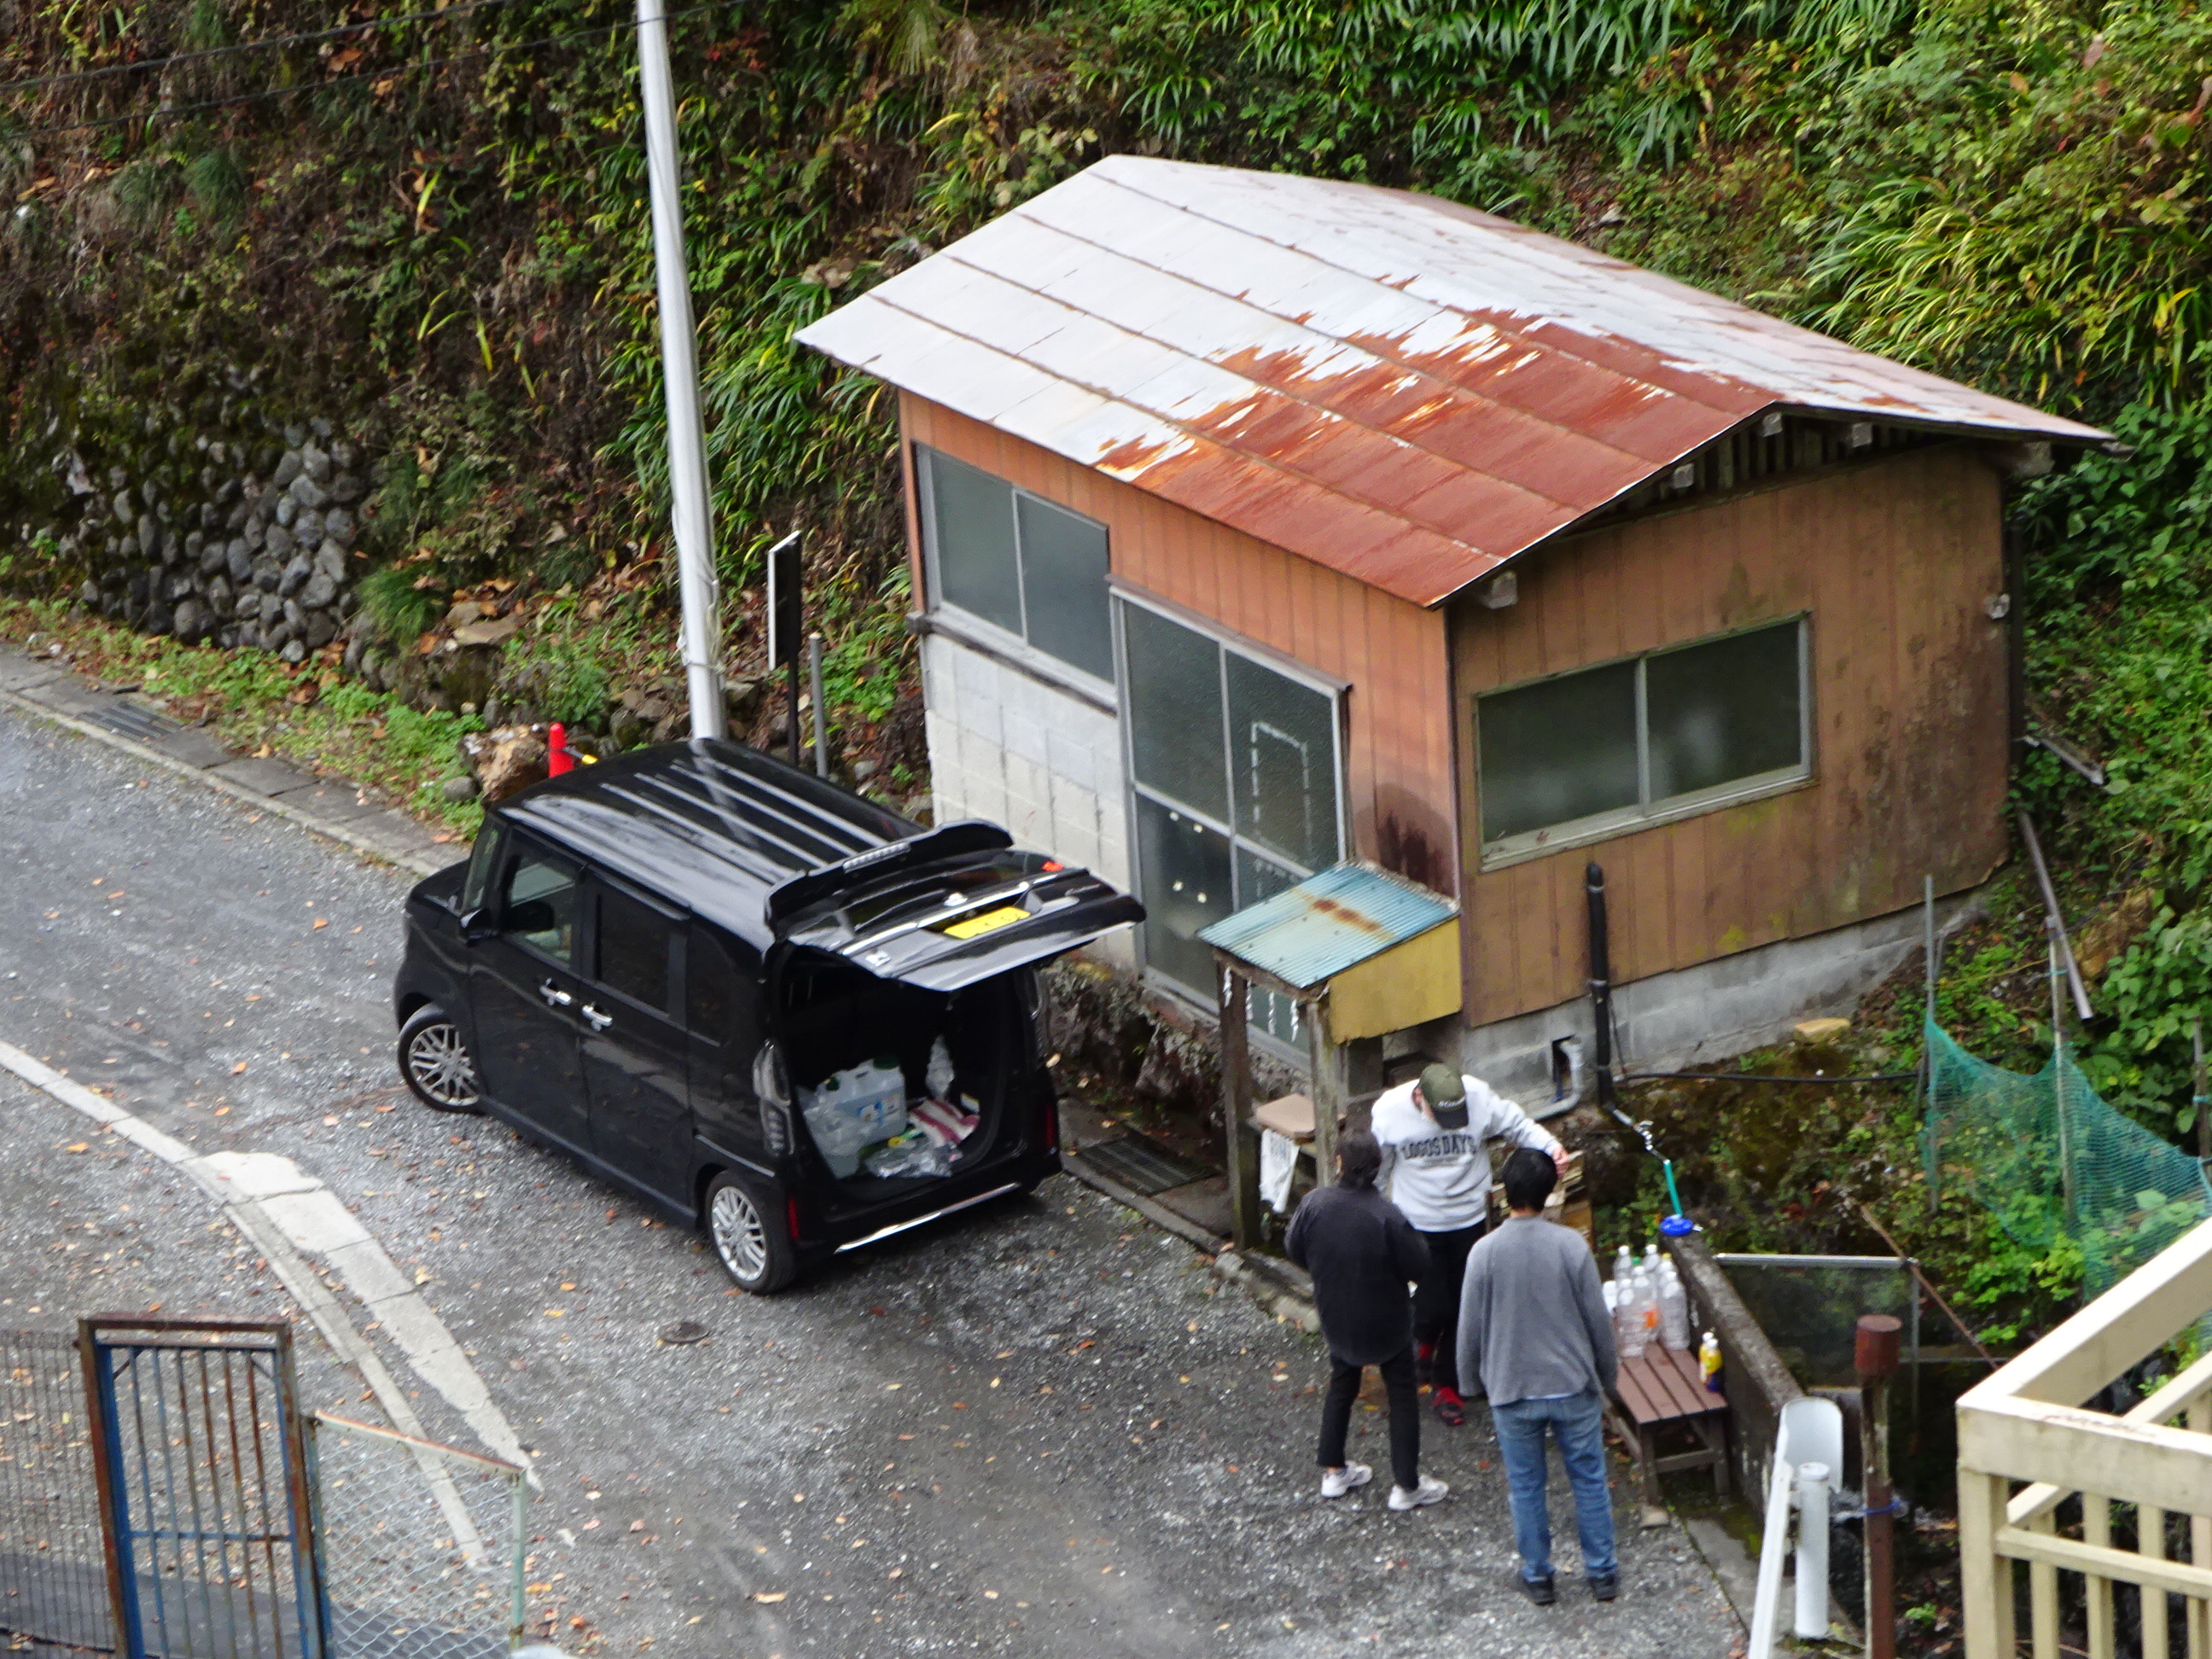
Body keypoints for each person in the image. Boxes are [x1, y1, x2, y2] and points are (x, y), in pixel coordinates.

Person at [1457, 1147, 1620, 1605]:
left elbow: (1469, 1326)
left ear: (1505, 1193)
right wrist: (1608, 1378)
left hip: (1511, 1387)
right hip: (1572, 1383)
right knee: (1588, 1477)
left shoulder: (1483, 1253)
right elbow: (1597, 1323)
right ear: (1551, 1193)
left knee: (1526, 1486)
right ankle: (1602, 1573)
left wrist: (1470, 1383)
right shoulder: (1571, 1246)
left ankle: (1538, 1576)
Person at [1370, 1061, 1565, 1426]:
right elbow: (1380, 1172)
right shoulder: (1388, 1113)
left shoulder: (1478, 1096)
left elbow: (1516, 1125)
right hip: (1418, 1221)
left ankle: (1448, 1381)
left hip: (1469, 1219)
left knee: (1463, 1304)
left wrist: (1551, 1148)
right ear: (1418, 1097)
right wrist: (1376, 1217)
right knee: (1431, 1303)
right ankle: (1422, 1346)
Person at [1284, 1130, 1449, 1511]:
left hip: (1337, 1314)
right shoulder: (1388, 1217)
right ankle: (1406, 1486)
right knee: (1402, 1396)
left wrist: (1328, 1270)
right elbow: (1420, 1265)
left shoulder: (1314, 1204)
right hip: (1387, 1320)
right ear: (1379, 1167)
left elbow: (1295, 1248)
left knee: (1342, 1385)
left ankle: (1334, 1471)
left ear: (1338, 1162)